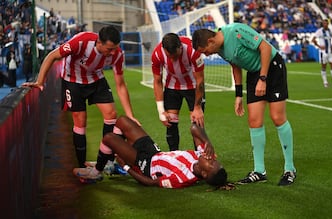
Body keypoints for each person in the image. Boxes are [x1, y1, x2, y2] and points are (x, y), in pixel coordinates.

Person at [192, 23, 296, 186]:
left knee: (277, 118)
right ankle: (259, 171)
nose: (206, 55)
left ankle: (290, 169)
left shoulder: (236, 31)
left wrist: (263, 79)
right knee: (254, 121)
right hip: (254, 73)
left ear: (211, 41)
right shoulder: (219, 48)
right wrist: (238, 95)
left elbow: (266, 48)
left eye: (205, 51)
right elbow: (235, 65)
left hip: (272, 67)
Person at [22, 25, 140, 168]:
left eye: (115, 48)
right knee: (80, 120)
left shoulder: (117, 54)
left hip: (96, 79)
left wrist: (130, 115)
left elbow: (120, 84)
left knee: (111, 114)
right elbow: (52, 56)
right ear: (99, 43)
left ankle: (107, 162)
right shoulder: (80, 42)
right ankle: (82, 166)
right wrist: (40, 81)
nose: (113, 52)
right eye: (109, 49)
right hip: (72, 80)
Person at [73, 115, 228, 189]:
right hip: (154, 152)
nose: (211, 158)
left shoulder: (181, 179)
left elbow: (151, 183)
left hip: (146, 165)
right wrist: (208, 142)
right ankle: (110, 164)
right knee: (122, 121)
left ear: (205, 174)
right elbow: (194, 127)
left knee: (109, 138)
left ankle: (97, 171)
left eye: (211, 162)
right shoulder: (204, 155)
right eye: (214, 160)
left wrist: (127, 167)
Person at [151, 33, 205, 151]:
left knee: (197, 123)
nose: (172, 59)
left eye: (175, 56)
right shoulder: (157, 54)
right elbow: (157, 81)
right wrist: (161, 110)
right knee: (171, 123)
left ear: (180, 47)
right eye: (169, 56)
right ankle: (174, 155)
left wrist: (197, 107)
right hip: (172, 87)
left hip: (193, 87)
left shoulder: (193, 50)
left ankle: (200, 156)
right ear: (164, 50)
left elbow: (200, 80)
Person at [311, 19, 332, 87]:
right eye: (324, 23)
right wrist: (319, 46)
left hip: (330, 51)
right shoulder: (319, 31)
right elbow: (313, 40)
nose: (325, 25)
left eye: (326, 23)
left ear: (328, 24)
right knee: (324, 66)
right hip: (323, 52)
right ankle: (325, 82)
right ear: (322, 24)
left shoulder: (330, 31)